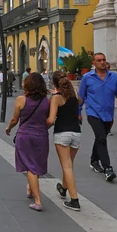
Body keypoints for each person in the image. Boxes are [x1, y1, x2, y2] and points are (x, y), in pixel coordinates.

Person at [78, 53, 117, 182]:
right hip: (93, 113)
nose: (102, 62)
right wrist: (78, 112)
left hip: (108, 114)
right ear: (94, 63)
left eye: (103, 60)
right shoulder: (87, 78)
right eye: (99, 60)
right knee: (101, 137)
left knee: (100, 137)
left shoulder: (114, 77)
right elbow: (81, 97)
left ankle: (93, 160)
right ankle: (108, 168)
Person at [5, 72, 50, 211]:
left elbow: (14, 119)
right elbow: (49, 119)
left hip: (24, 135)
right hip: (41, 135)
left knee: (30, 166)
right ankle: (31, 189)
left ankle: (37, 201)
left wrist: (8, 128)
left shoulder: (21, 99)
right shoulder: (46, 101)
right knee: (36, 164)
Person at [47, 71, 82, 211]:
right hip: (76, 133)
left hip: (62, 133)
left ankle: (74, 200)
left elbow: (51, 120)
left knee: (66, 166)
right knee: (69, 164)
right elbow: (78, 103)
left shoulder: (56, 98)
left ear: (54, 83)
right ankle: (63, 188)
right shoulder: (75, 95)